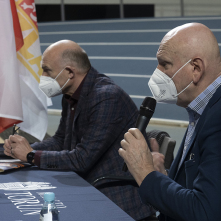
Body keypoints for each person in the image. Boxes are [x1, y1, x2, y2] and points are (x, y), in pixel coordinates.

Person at [3, 40, 155, 220]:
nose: (42, 76)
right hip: (86, 184)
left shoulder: (106, 97)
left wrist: (30, 155)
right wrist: (19, 149)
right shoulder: (71, 94)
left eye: (47, 70)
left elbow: (82, 159)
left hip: (114, 197)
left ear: (69, 72)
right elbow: (60, 140)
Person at [119, 23, 221, 221]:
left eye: (164, 64)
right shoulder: (202, 110)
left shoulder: (218, 118)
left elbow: (206, 212)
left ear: (196, 68)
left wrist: (145, 173)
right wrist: (163, 177)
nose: (157, 73)